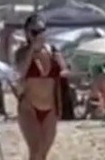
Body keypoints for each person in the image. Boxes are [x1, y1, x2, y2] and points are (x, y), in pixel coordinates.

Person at [15, 15, 67, 160]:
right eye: (34, 32)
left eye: (40, 31)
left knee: (42, 154)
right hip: (29, 107)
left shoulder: (54, 52)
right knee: (35, 150)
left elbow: (65, 72)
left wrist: (61, 67)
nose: (37, 35)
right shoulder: (22, 53)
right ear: (27, 33)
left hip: (50, 108)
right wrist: (32, 49)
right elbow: (21, 73)